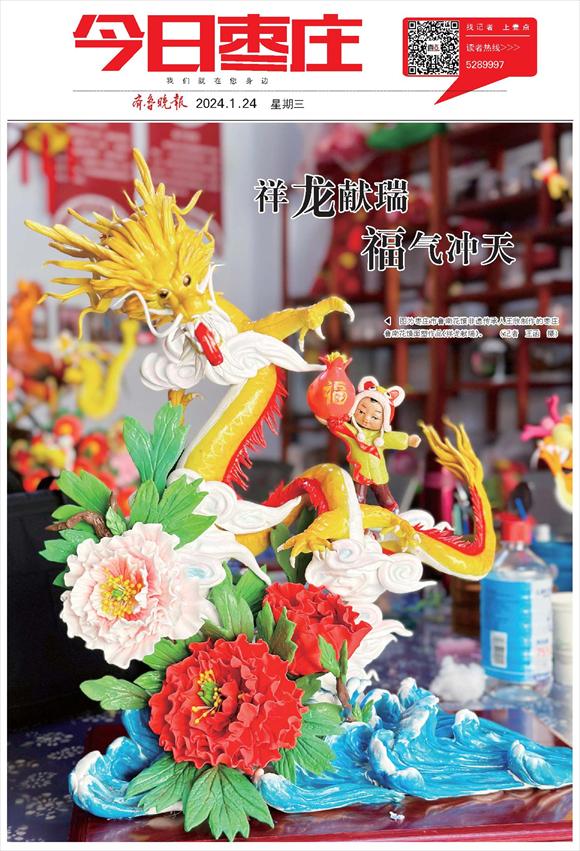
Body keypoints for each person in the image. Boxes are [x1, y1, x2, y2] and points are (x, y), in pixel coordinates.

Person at [327, 376, 421, 511]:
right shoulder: (353, 433)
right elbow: (339, 426)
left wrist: (409, 440)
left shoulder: (381, 437)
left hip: (378, 473)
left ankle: (392, 511)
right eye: (361, 411)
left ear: (384, 420)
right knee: (358, 498)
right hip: (360, 473)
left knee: (384, 497)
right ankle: (358, 513)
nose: (366, 418)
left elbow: (394, 438)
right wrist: (330, 419)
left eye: (375, 417)